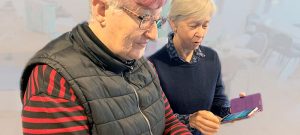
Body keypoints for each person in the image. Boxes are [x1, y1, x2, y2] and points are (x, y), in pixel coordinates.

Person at [20, 0, 192, 134]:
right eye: (144, 18)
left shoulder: (140, 62)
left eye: (157, 21)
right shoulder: (54, 81)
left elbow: (168, 122)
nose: (154, 35)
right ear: (101, 9)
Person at [149, 0, 230, 134]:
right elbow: (153, 120)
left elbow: (218, 99)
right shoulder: (153, 66)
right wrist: (189, 120)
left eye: (205, 26)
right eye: (193, 25)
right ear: (173, 23)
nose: (200, 33)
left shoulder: (212, 58)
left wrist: (235, 110)